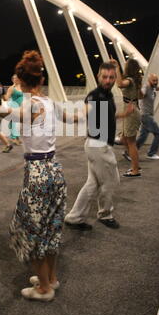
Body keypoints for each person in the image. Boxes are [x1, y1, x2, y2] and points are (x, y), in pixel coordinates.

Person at [0, 51, 67, 302]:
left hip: (37, 173)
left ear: (21, 82)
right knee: (51, 227)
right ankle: (51, 278)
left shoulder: (29, 104)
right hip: (55, 169)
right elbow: (71, 116)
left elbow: (8, 113)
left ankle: (44, 289)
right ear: (41, 80)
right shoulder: (48, 102)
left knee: (29, 230)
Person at [64, 61, 134, 231]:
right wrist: (67, 116)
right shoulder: (95, 96)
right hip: (98, 146)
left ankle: (74, 217)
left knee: (93, 183)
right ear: (98, 77)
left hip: (98, 144)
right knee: (111, 180)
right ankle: (105, 214)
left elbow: (108, 116)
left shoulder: (108, 95)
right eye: (105, 77)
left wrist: (124, 114)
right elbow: (84, 112)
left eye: (111, 77)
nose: (108, 80)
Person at [111, 58, 143, 178]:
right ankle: (135, 164)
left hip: (131, 112)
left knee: (131, 142)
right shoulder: (136, 81)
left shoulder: (129, 80)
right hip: (132, 110)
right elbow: (141, 96)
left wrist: (116, 68)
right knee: (125, 139)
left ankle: (135, 170)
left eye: (125, 66)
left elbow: (119, 84)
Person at [136, 74, 159, 159]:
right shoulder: (146, 87)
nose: (155, 82)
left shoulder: (153, 87)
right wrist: (138, 87)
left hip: (147, 115)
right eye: (153, 80)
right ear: (149, 80)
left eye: (156, 80)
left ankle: (129, 152)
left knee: (143, 136)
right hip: (145, 115)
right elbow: (141, 95)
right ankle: (151, 153)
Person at [5, 74, 23, 145]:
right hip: (14, 107)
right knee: (14, 123)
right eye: (15, 78)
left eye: (18, 78)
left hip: (21, 107)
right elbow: (6, 98)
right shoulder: (11, 88)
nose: (17, 79)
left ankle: (17, 138)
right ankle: (14, 139)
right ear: (12, 80)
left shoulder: (22, 87)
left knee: (18, 124)